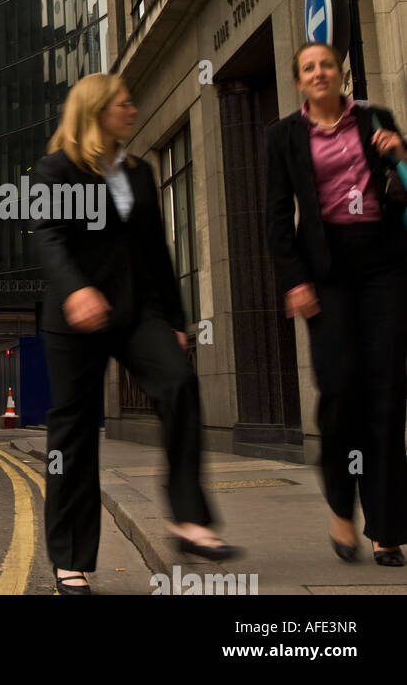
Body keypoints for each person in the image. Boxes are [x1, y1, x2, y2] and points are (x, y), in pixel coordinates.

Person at [35, 73, 235, 594]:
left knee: (179, 385)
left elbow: (156, 254)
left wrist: (175, 321)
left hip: (136, 312)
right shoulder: (55, 171)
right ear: (97, 111)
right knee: (74, 435)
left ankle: (189, 519)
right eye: (124, 102)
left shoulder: (140, 173)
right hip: (74, 319)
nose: (134, 108)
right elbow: (49, 240)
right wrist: (76, 290)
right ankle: (70, 558)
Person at [265, 40, 407, 566]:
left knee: (388, 391)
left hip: (385, 264)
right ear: (299, 81)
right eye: (309, 67)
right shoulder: (282, 137)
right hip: (327, 273)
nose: (320, 72)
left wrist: (400, 152)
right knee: (341, 390)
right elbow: (278, 218)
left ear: (339, 71)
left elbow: (403, 185)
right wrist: (294, 281)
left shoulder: (374, 118)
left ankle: (386, 526)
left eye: (326, 64)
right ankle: (341, 507)